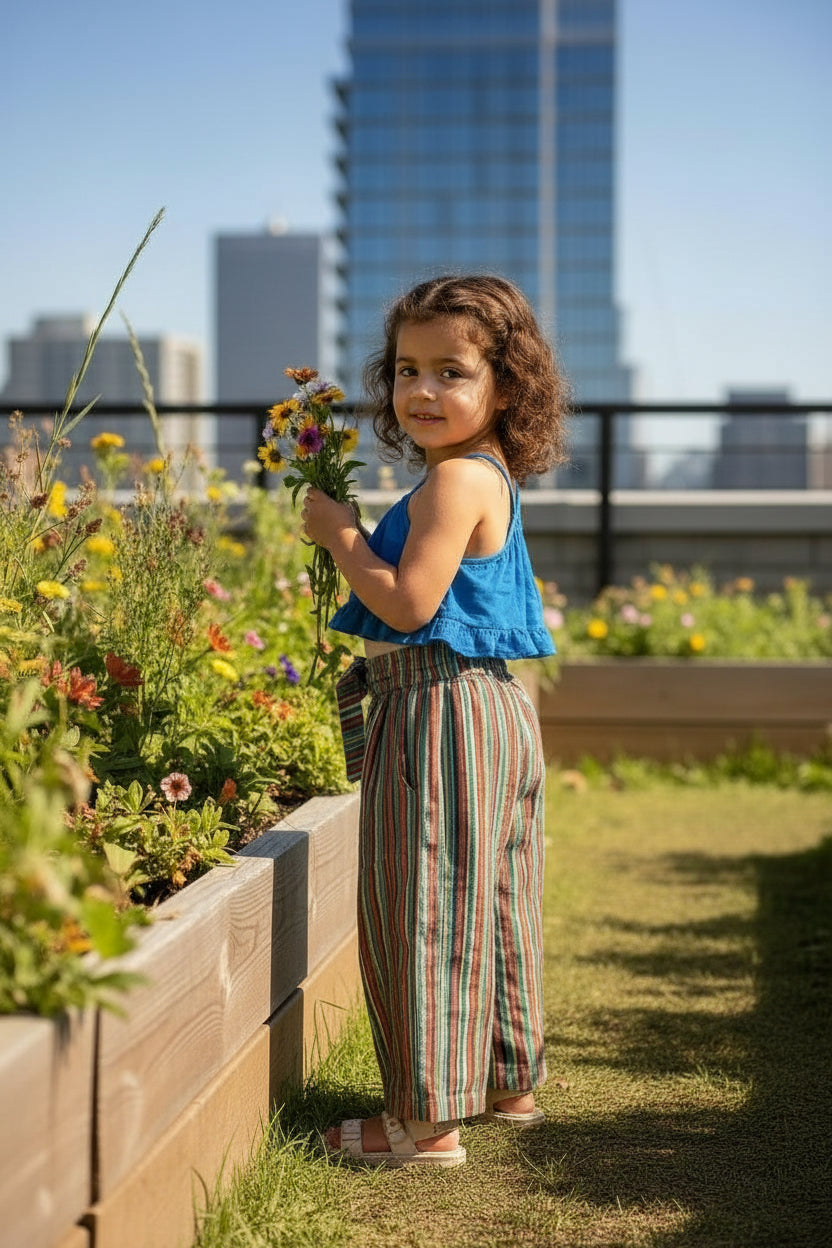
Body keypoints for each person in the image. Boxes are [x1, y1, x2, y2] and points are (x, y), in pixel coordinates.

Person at [300, 274, 570, 1168]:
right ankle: (505, 1078)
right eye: (408, 369)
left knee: (422, 906)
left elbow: (412, 605)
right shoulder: (480, 473)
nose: (421, 390)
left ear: (506, 382)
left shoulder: (456, 479)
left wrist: (339, 535)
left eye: (451, 370)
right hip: (487, 706)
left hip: (439, 709)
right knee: (492, 896)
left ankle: (425, 1126)